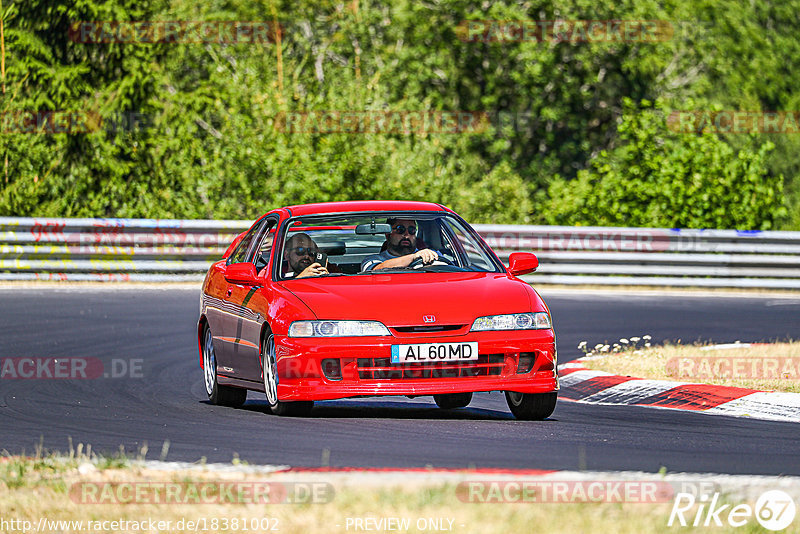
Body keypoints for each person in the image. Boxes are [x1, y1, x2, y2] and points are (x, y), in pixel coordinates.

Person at [361, 218, 439, 271]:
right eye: (400, 229)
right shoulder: (373, 259)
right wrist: (413, 257)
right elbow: (375, 270)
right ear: (388, 235)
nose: (407, 235)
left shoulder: (430, 254)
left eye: (412, 230)